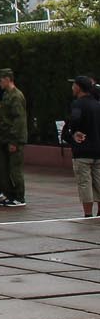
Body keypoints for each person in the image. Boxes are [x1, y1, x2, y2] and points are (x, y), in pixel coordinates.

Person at [62, 75, 100, 217]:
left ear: (78, 87)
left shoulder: (78, 104)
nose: (72, 88)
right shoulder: (97, 104)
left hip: (82, 151)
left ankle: (88, 214)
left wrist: (73, 133)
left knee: (85, 183)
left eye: (74, 85)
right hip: (98, 150)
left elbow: (74, 121)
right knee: (99, 182)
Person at [0, 69, 28, 208]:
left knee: (15, 170)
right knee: (5, 169)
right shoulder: (7, 94)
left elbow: (19, 120)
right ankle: (11, 195)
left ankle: (19, 197)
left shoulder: (16, 96)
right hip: (5, 137)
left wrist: (14, 141)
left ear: (7, 79)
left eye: (0, 80)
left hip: (14, 138)